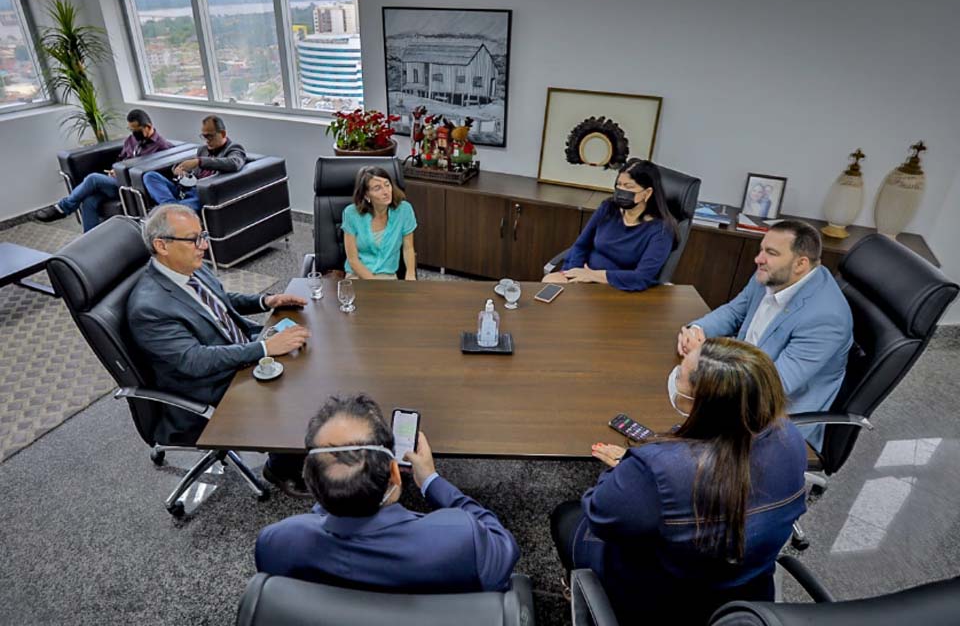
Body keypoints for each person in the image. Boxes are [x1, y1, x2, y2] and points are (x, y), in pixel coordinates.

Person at [551, 338, 808, 625]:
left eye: (681, 376)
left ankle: (581, 597)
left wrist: (629, 468)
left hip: (662, 599)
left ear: (702, 403)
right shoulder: (791, 438)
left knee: (567, 516)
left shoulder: (658, 468)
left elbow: (601, 515)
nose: (675, 376)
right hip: (747, 593)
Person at [126, 204, 312, 495]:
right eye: (193, 239)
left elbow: (220, 300)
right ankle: (280, 467)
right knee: (295, 391)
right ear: (161, 245)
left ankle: (299, 447)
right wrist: (264, 347)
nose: (204, 245)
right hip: (207, 386)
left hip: (233, 350)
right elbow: (194, 361)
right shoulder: (149, 307)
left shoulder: (188, 268)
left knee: (306, 359)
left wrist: (266, 301)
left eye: (203, 235)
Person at [255, 393, 520, 592]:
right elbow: (503, 546)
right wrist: (431, 480)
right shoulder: (462, 537)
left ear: (311, 483)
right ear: (395, 473)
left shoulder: (275, 542)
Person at [676, 219, 853, 449]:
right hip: (738, 381)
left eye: (770, 252)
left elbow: (773, 386)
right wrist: (697, 330)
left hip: (772, 420)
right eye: (761, 249)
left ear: (800, 264)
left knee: (671, 440)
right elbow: (734, 311)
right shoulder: (774, 273)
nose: (758, 259)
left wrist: (709, 363)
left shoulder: (826, 318)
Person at [542, 158, 677, 291]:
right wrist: (574, 274)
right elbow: (581, 245)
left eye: (628, 186)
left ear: (647, 193)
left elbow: (642, 277)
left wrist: (593, 276)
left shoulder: (661, 231)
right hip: (582, 273)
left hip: (616, 287)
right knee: (550, 284)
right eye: (619, 184)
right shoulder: (608, 208)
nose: (621, 190)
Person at [34, 109, 174, 231]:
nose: (133, 133)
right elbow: (121, 158)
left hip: (132, 188)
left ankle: (63, 207)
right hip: (116, 182)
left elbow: (155, 174)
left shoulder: (162, 147)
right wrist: (115, 169)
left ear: (148, 127)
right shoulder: (131, 140)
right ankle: (89, 239)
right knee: (89, 200)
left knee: (93, 178)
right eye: (130, 130)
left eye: (135, 130)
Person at [141, 115, 246, 212]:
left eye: (210, 136)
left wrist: (199, 161)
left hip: (201, 196)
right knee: (150, 176)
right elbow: (192, 172)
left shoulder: (234, 148)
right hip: (185, 189)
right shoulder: (203, 150)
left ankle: (171, 210)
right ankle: (171, 206)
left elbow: (234, 163)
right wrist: (179, 170)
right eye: (204, 136)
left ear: (222, 134)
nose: (207, 141)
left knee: (179, 208)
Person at [342, 166, 417, 280]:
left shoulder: (404, 210)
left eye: (387, 185)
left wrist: (410, 275)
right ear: (366, 195)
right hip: (358, 275)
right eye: (378, 188)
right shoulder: (351, 214)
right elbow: (353, 260)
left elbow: (408, 248)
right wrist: (374, 284)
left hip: (388, 276)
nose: (386, 192)